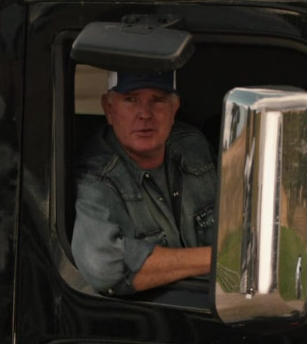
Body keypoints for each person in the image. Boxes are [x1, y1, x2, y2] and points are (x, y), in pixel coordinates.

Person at [72, 71, 216, 295]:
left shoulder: (194, 146)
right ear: (109, 108)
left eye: (157, 100)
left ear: (174, 108)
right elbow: (104, 266)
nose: (144, 114)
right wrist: (219, 258)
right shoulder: (97, 176)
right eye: (131, 99)